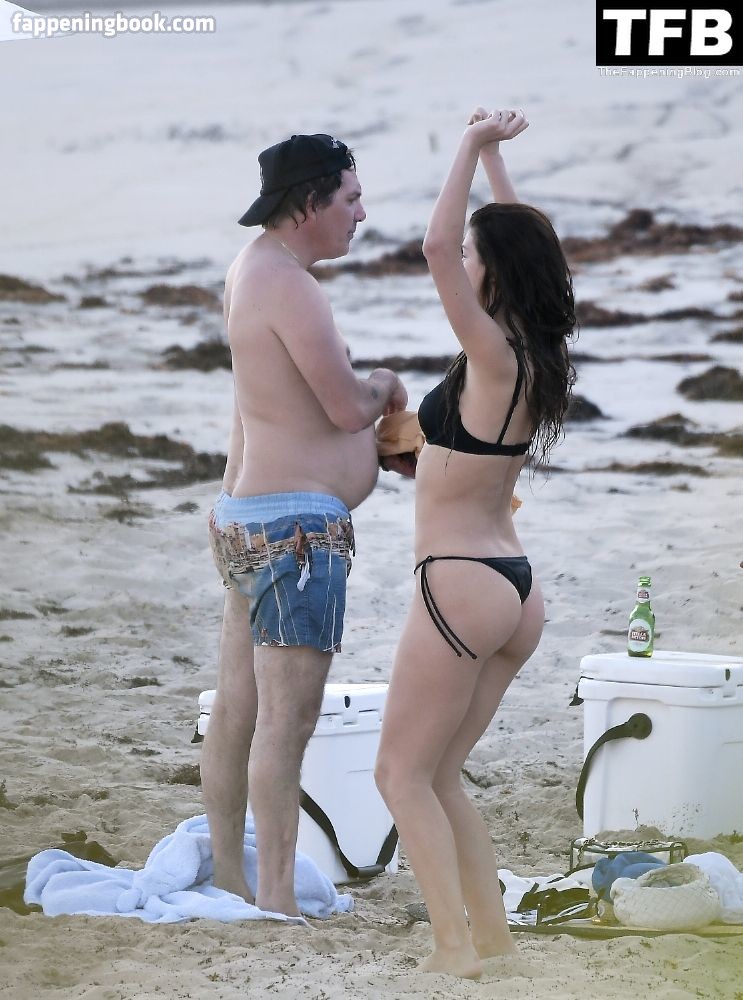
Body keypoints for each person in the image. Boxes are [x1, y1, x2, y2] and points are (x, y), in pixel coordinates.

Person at [375, 107, 577, 978]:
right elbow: (527, 241)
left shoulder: (492, 354)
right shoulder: (537, 350)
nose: (459, 260)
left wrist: (461, 145)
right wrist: (494, 159)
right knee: (439, 773)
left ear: (492, 273)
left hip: (459, 581)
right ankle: (491, 939)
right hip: (512, 587)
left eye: (472, 256)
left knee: (399, 775)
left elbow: (431, 248)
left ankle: (452, 948)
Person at [201, 133, 407, 918]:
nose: (361, 213)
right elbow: (347, 407)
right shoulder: (290, 285)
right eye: (350, 198)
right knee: (285, 725)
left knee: (237, 710)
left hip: (249, 515)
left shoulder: (249, 270)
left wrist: (225, 505)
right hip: (294, 536)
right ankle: (278, 900)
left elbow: (254, 409)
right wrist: (385, 382)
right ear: (309, 203)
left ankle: (231, 877)